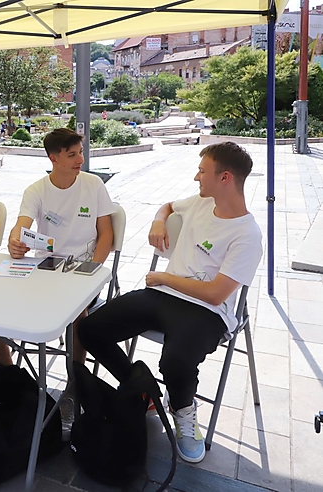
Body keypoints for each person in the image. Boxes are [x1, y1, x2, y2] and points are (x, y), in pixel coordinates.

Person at [79, 142, 263, 463]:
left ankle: (184, 414)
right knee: (90, 329)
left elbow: (216, 293)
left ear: (225, 178)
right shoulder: (201, 202)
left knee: (175, 363)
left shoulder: (247, 234)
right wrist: (158, 220)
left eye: (203, 171)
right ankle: (144, 390)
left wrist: (164, 277)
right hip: (164, 297)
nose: (196, 177)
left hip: (207, 311)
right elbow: (167, 205)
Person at [0, 128, 114, 368]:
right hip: (46, 269)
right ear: (54, 159)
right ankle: (7, 371)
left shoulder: (93, 185)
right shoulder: (36, 191)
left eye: (80, 152)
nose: (81, 159)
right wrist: (15, 242)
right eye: (72, 155)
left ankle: (76, 378)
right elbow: (22, 226)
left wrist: (93, 268)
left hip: (83, 268)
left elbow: (107, 235)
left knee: (75, 308)